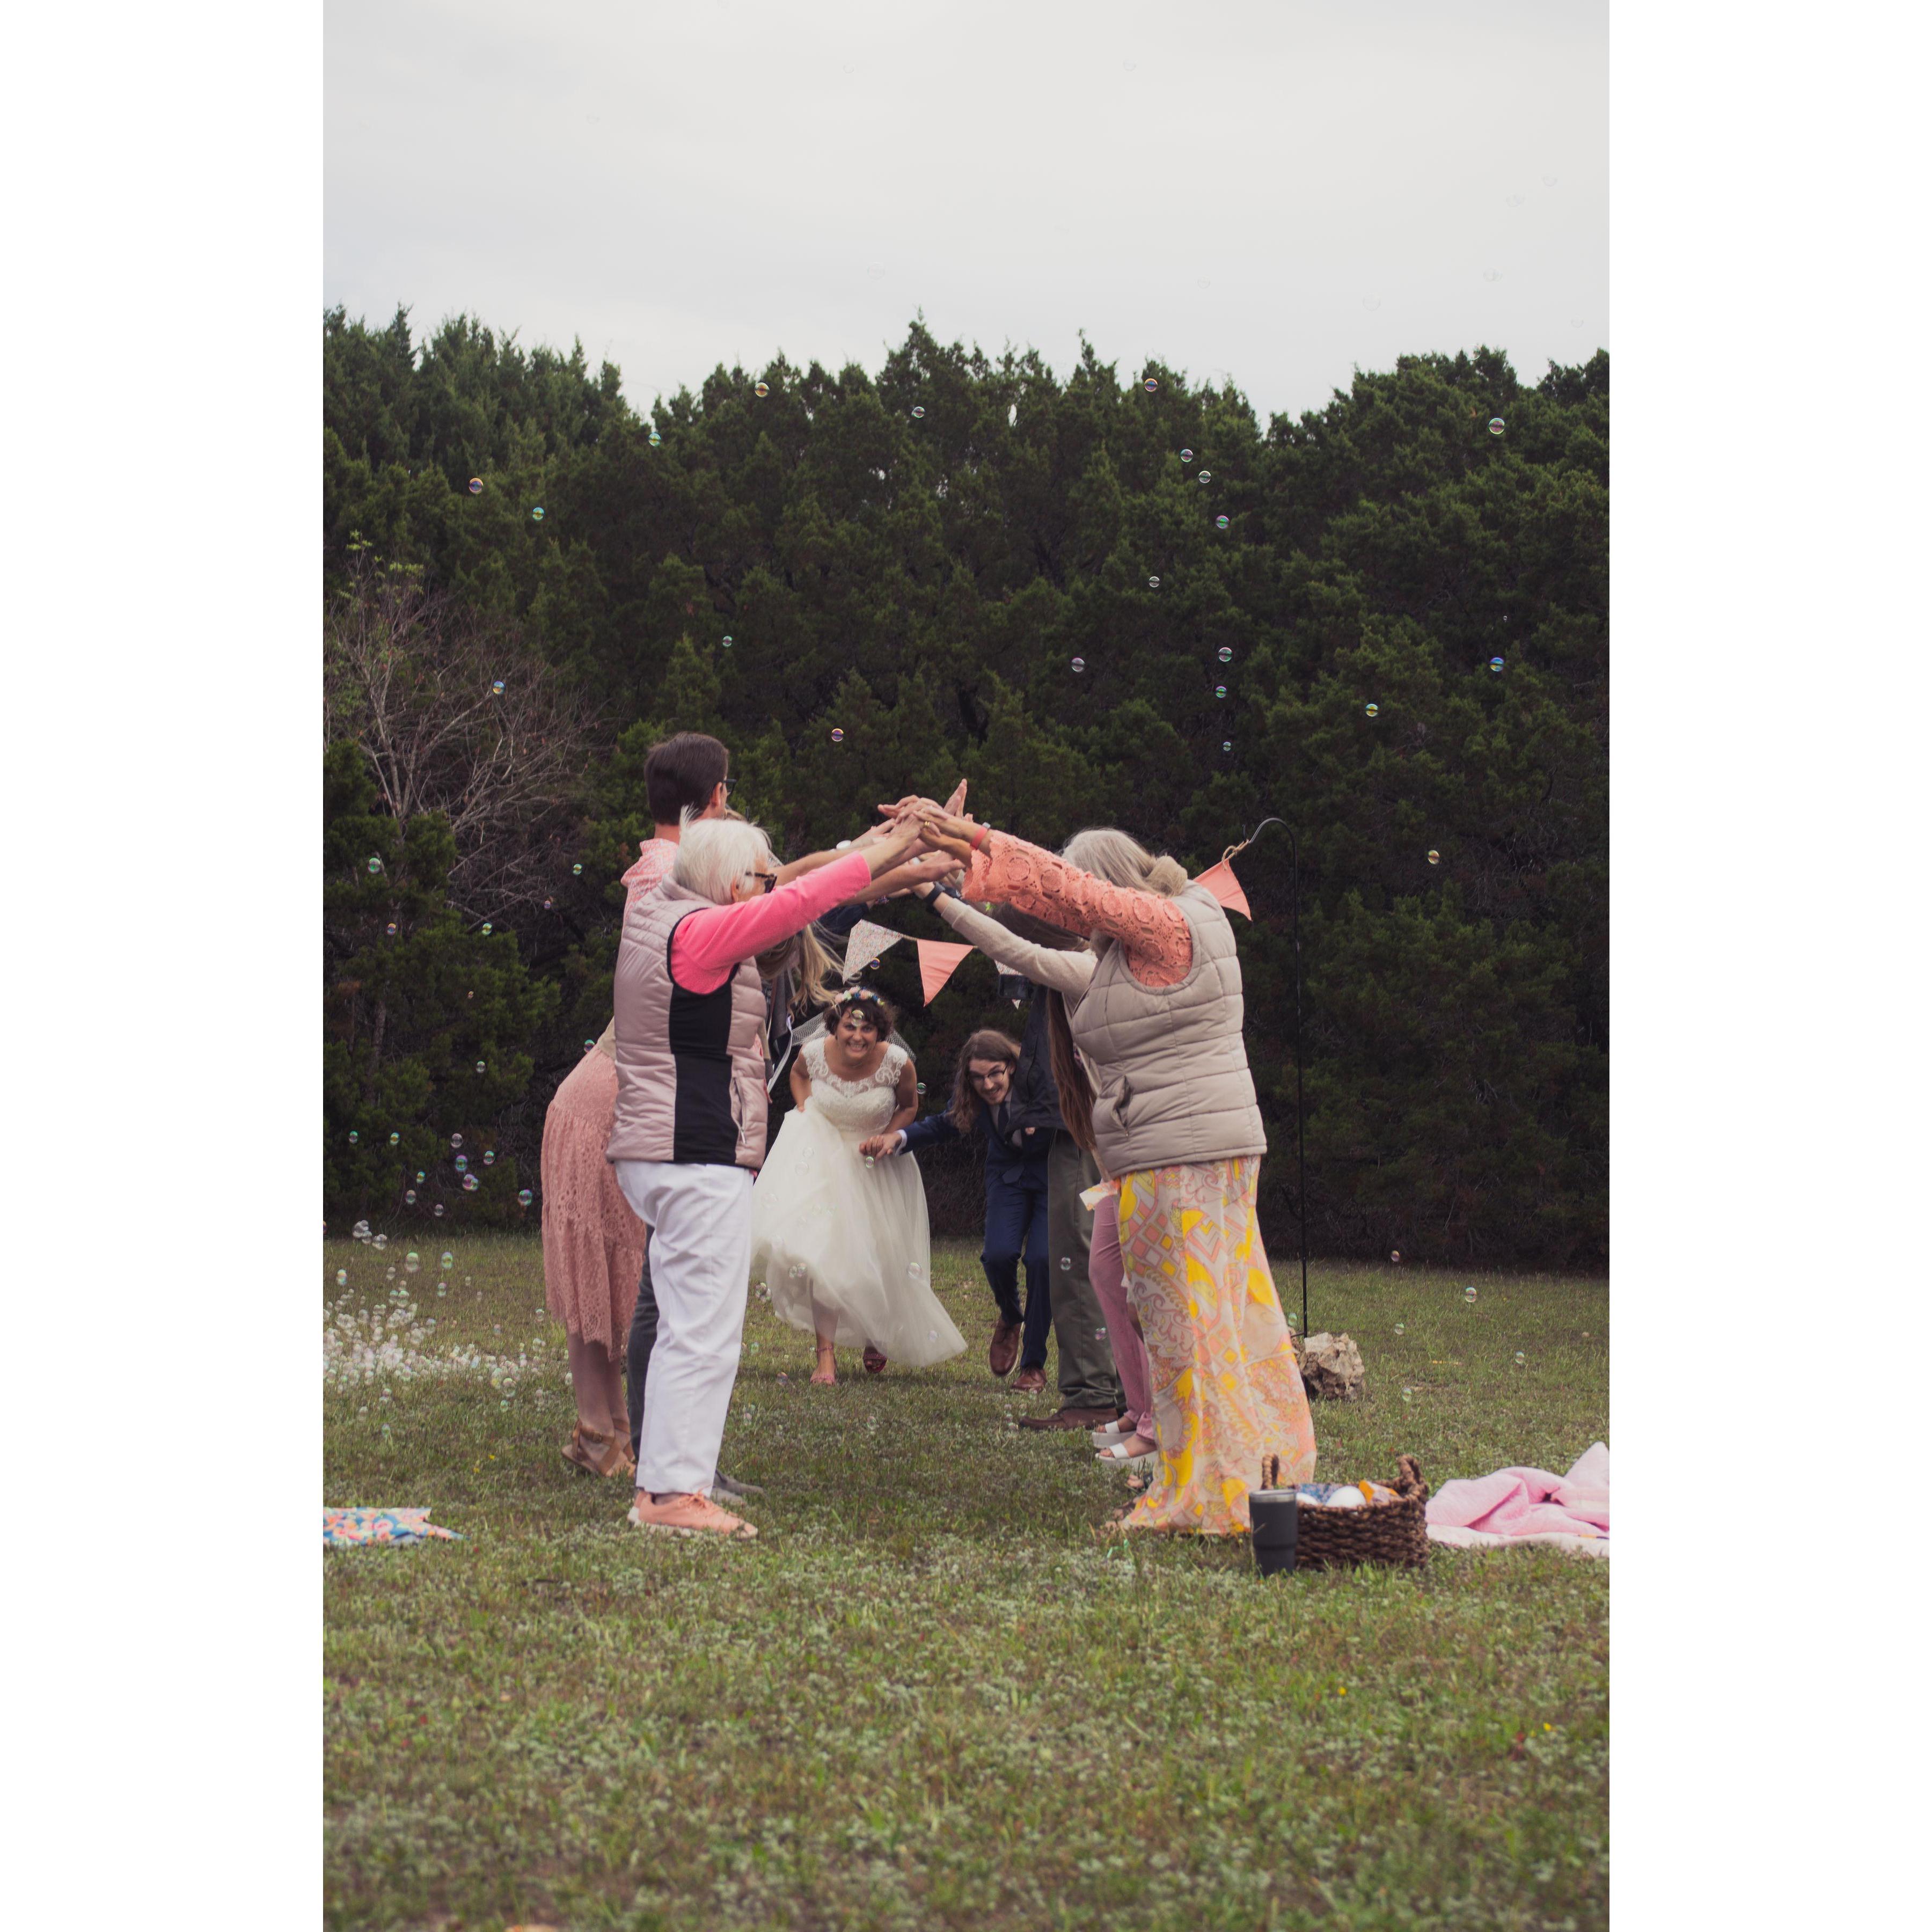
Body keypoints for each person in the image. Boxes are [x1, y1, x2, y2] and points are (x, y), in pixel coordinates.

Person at [908, 806, 1318, 1535]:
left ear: (1105, 881)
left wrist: (975, 843)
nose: (1068, 912)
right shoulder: (1137, 949)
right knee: (1217, 1320)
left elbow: (1069, 893)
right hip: (1186, 1149)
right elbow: (1023, 942)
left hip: (1177, 1154)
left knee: (1185, 1329)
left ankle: (1205, 1490)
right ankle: (1252, 1473)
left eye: (1081, 888)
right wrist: (942, 895)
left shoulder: (1169, 924)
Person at [608, 807, 938, 1540]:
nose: (771, 885)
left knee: (688, 1326)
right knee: (702, 1331)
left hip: (664, 1149)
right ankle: (672, 1493)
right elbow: (803, 897)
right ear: (733, 885)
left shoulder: (660, 909)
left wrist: (904, 864)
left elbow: (797, 886)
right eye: (760, 877)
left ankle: (665, 1484)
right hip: (694, 1148)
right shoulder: (701, 934)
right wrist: (898, 842)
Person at [904, 880, 1159, 1466]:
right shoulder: (1089, 965)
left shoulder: (1083, 964)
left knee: (1084, 1265)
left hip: (1085, 1132)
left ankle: (1098, 1395)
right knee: (1101, 1267)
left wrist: (938, 891)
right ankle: (1128, 1401)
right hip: (1091, 1126)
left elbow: (1008, 940)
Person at [539, 731, 730, 1479]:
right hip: (609, 1102)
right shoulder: (669, 874)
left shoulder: (670, 868)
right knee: (609, 1272)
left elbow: (789, 889)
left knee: (622, 1271)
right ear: (716, 798)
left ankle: (611, 1432)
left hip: (611, 1094)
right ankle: (602, 1435)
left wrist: (893, 858)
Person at [751, 986, 967, 1384]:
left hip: (874, 1165)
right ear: (835, 1026)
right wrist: (804, 1108)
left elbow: (909, 1106)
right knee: (824, 1256)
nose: (857, 1036)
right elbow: (798, 1076)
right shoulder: (814, 1053)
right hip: (823, 1163)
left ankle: (876, 1333)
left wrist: (887, 1136)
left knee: (880, 1256)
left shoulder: (897, 1063)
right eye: (850, 1026)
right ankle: (825, 1358)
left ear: (880, 1032)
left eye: (867, 1029)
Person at [862, 1029, 1057, 1388]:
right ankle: (1011, 1316)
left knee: (1042, 1261)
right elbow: (943, 1125)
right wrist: (898, 1138)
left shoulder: (1043, 1086)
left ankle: (1033, 1365)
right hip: (1008, 1179)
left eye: (995, 1073)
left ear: (1012, 1066)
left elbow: (1079, 1114)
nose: (988, 1084)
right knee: (998, 1255)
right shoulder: (974, 1097)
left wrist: (1047, 1119)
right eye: (978, 1077)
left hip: (1051, 1179)